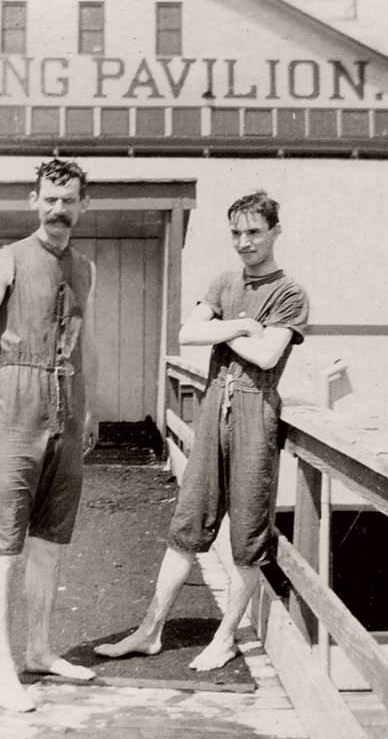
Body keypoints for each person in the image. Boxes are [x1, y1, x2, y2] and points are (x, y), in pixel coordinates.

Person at [95, 190, 309, 671]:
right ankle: (150, 630)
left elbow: (267, 356)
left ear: (275, 231)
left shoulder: (291, 292)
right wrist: (243, 326)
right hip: (214, 409)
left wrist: (229, 330)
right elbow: (187, 333)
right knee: (186, 527)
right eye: (236, 232)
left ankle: (226, 637)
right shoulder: (224, 282)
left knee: (247, 541)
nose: (244, 242)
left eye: (254, 232)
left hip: (256, 418)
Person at [0, 159, 99, 712]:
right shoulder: (6, 259)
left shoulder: (85, 266)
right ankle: (1, 669)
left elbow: (89, 343)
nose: (59, 210)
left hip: (69, 401)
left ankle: (38, 647)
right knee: (5, 544)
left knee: (50, 540)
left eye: (69, 200)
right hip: (17, 400)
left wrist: (93, 407)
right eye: (50, 199)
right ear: (34, 199)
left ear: (83, 205)